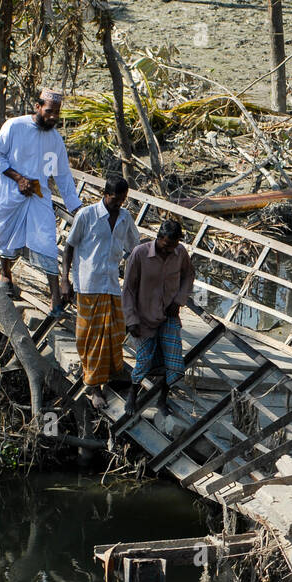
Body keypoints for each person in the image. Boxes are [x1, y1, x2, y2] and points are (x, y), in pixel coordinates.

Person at [0, 89, 83, 316]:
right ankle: (5, 274)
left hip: (39, 196)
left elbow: (62, 175)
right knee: (5, 234)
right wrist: (19, 179)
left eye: (56, 113)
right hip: (11, 191)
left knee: (47, 241)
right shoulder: (14, 126)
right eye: (49, 111)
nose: (52, 117)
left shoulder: (55, 139)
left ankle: (55, 298)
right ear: (38, 107)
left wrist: (75, 205)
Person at [61, 175, 138, 411]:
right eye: (116, 199)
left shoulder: (125, 218)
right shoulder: (87, 215)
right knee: (91, 339)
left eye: (123, 200)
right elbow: (69, 247)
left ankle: (111, 375)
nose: (119, 204)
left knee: (114, 335)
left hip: (112, 286)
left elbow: (135, 249)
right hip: (88, 284)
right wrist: (64, 280)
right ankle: (95, 387)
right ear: (105, 194)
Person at [122, 218, 194, 414]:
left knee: (173, 362)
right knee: (144, 361)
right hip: (144, 317)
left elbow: (189, 275)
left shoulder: (180, 254)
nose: (169, 250)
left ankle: (162, 399)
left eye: (173, 245)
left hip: (168, 315)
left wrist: (179, 300)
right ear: (159, 238)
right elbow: (128, 289)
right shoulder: (140, 253)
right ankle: (132, 395)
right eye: (166, 245)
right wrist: (131, 320)